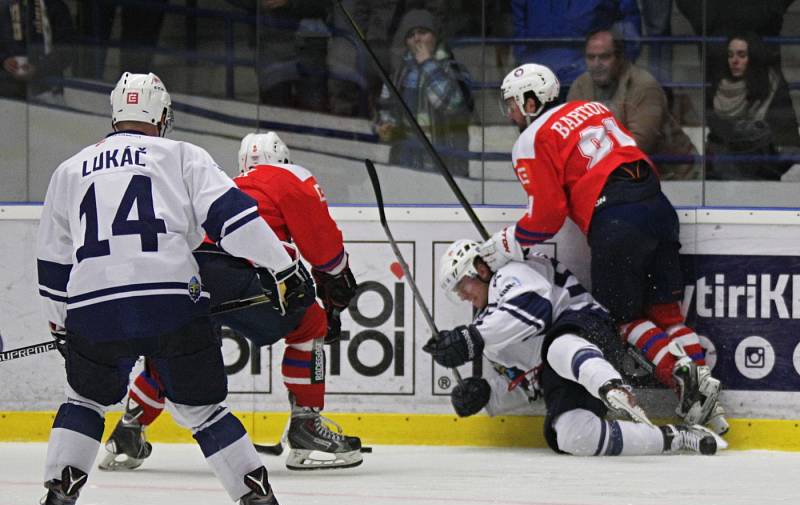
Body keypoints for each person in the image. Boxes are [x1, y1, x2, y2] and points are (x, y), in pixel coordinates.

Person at [29, 72, 307, 505]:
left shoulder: (70, 169)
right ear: (161, 116)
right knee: (202, 409)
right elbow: (235, 221)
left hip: (96, 308)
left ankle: (56, 500)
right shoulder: (183, 155)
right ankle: (259, 503)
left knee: (85, 401)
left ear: (116, 115)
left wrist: (60, 321)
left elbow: (53, 261)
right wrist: (284, 268)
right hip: (173, 304)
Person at [478, 63, 729, 437]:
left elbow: (547, 217)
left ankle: (683, 376)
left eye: (513, 103)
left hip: (616, 219)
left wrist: (504, 244)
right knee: (667, 314)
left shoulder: (530, 139)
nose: (511, 113)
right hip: (659, 207)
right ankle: (703, 401)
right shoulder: (592, 108)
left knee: (623, 319)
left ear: (531, 101)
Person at [99, 131, 363, 472]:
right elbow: (323, 250)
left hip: (189, 271)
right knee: (310, 321)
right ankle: (306, 429)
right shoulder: (291, 175)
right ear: (283, 157)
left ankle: (128, 435)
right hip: (243, 274)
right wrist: (338, 277)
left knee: (177, 345)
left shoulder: (222, 182)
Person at [423, 240, 726, 457]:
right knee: (571, 437)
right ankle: (676, 437)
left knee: (557, 347)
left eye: (463, 284)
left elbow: (535, 310)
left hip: (591, 331)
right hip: (560, 371)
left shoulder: (512, 271)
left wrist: (471, 338)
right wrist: (488, 395)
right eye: (457, 292)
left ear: (480, 268)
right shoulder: (489, 335)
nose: (462, 295)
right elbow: (529, 384)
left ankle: (610, 385)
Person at [567, 29, 699, 180]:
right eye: (591, 57)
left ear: (620, 58)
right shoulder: (580, 85)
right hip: (617, 174)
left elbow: (638, 145)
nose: (596, 64)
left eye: (604, 57)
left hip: (674, 175)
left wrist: (588, 156)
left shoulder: (644, 86)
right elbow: (570, 138)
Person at [373, 8, 473, 177]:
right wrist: (384, 125)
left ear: (435, 36)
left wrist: (428, 63)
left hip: (446, 167)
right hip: (405, 165)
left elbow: (451, 104)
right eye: (411, 35)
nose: (417, 38)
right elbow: (384, 110)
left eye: (423, 32)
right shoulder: (398, 74)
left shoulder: (455, 69)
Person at [706, 32, 800, 181]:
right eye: (730, 55)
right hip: (725, 167)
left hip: (763, 167)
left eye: (741, 55)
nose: (734, 61)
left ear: (753, 58)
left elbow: (783, 138)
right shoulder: (718, 88)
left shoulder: (772, 88)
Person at [511, 0, 641, 91]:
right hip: (540, 79)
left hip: (591, 80)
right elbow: (520, 31)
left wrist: (621, 68)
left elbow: (629, 27)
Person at [0, 0, 75, 100]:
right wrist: (4, 60)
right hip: (8, 90)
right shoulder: (6, 7)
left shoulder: (56, 7)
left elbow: (66, 51)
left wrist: (38, 68)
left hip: (48, 90)